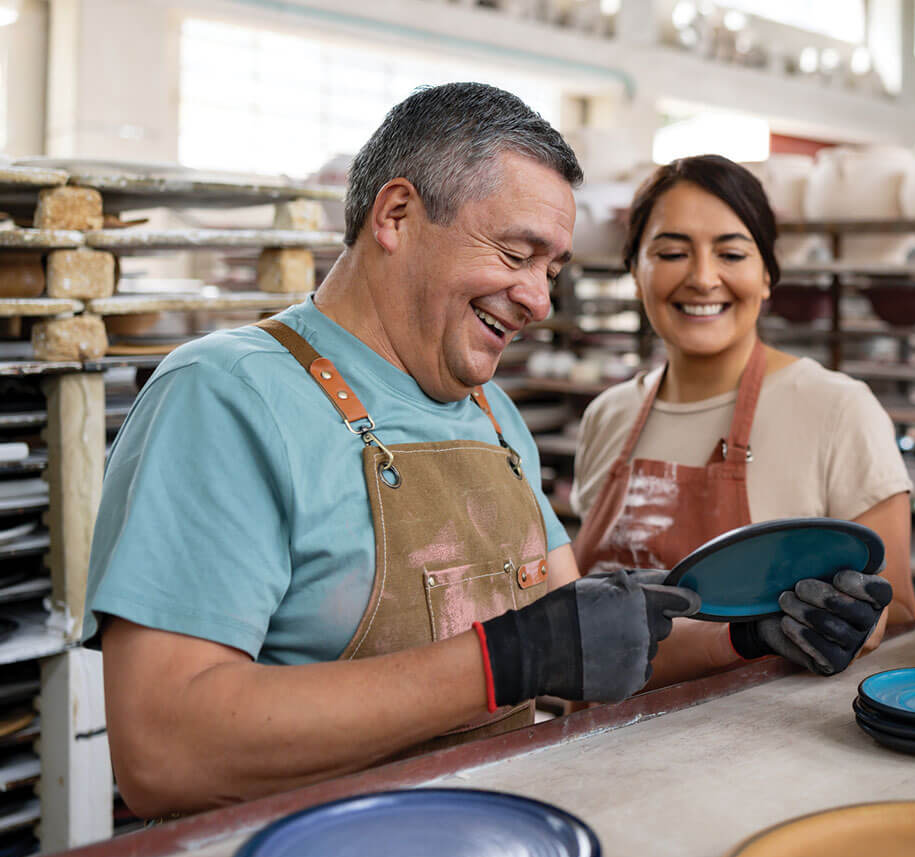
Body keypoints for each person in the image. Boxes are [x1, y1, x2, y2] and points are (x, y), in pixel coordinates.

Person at [84, 84, 710, 819]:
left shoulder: (491, 411)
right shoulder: (226, 396)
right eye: (516, 252)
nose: (540, 299)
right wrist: (499, 663)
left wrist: (754, 631)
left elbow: (576, 634)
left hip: (493, 842)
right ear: (397, 215)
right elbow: (165, 747)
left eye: (553, 269)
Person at [572, 154, 915, 687]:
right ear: (635, 271)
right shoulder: (606, 416)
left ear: (767, 277)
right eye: (670, 252)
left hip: (754, 751)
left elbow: (899, 626)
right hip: (586, 750)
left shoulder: (838, 410)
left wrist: (850, 626)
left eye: (731, 253)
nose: (703, 278)